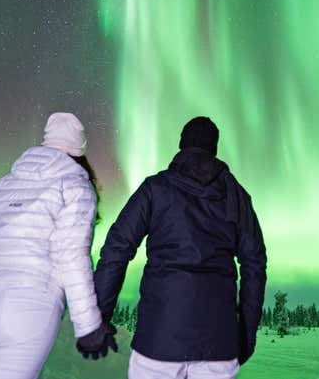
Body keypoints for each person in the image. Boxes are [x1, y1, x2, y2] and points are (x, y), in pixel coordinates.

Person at [0, 112, 117, 379]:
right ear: (79, 149)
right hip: (27, 307)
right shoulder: (75, 186)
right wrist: (88, 324)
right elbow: (71, 255)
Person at [94, 116, 267, 379]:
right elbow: (254, 264)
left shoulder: (155, 188)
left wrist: (98, 317)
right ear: (214, 149)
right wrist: (245, 334)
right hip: (218, 345)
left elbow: (117, 249)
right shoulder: (237, 196)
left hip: (157, 341)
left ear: (181, 145)